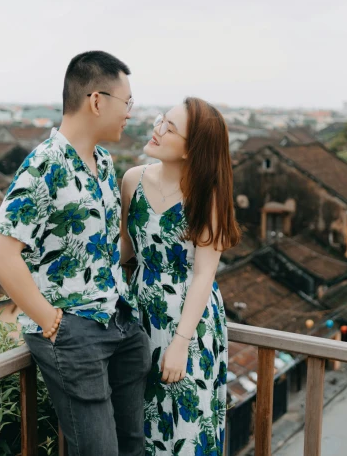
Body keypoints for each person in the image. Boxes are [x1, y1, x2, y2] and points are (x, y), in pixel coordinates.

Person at [0, 51, 151, 456]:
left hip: (120, 325)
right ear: (97, 101)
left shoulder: (104, 162)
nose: (130, 113)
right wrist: (51, 321)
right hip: (76, 332)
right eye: (126, 102)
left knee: (133, 447)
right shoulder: (45, 165)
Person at [120, 98, 240, 456]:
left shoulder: (208, 196)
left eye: (169, 128)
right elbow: (125, 253)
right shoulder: (133, 180)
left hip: (189, 324)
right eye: (161, 120)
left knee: (187, 429)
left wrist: (180, 343)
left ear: (192, 150)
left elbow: (204, 274)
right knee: (140, 426)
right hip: (139, 318)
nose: (157, 130)